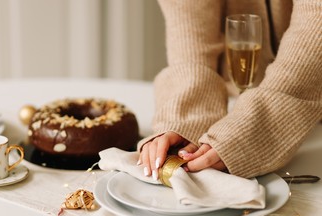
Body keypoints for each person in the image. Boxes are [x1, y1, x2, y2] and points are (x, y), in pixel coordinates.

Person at [137, 0, 322, 180]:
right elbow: (191, 41)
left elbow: (315, 28)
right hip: (236, 111)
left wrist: (252, 127)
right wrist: (185, 118)